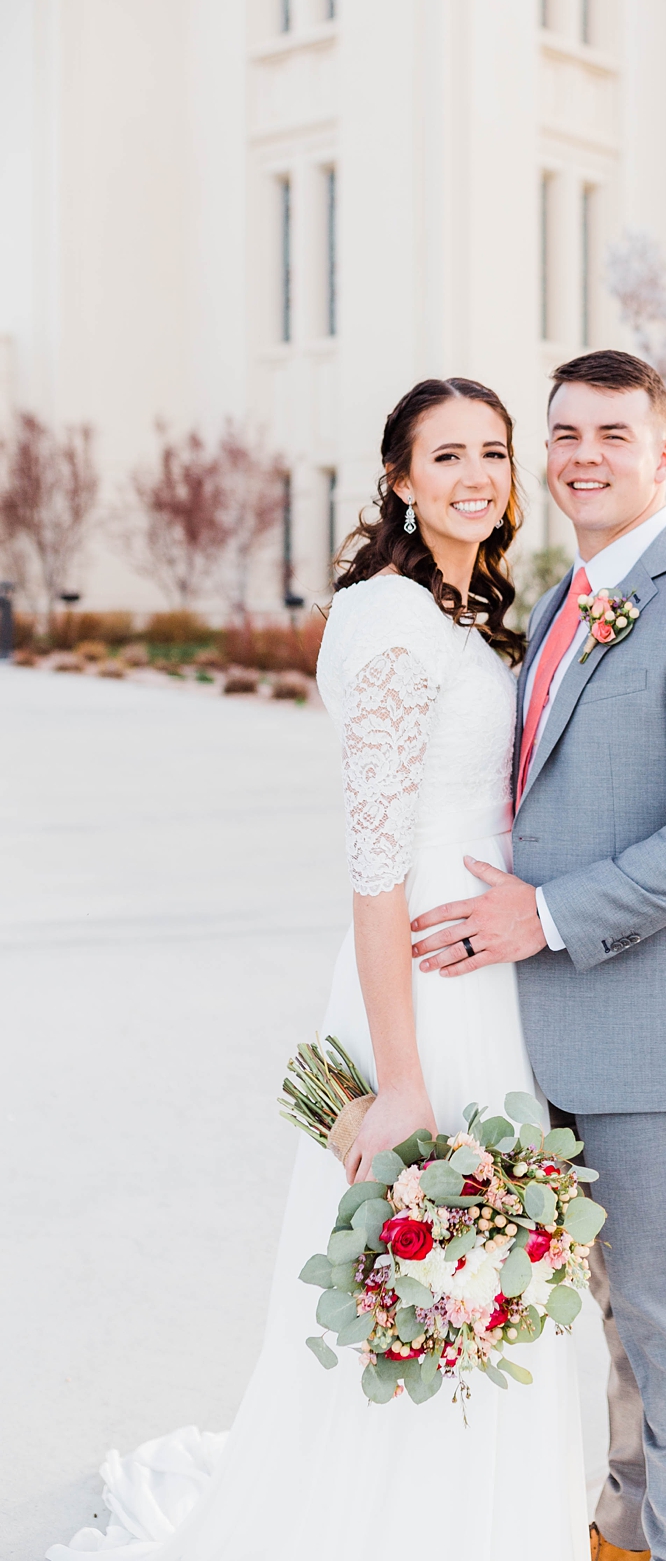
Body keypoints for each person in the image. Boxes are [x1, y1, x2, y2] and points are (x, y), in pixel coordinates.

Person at [49, 378, 588, 1561]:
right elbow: (373, 866)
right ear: (396, 478)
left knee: (490, 1275)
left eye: (494, 453)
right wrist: (399, 1081)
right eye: (448, 455)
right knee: (434, 1265)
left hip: (490, 980)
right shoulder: (390, 618)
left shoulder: (459, 612)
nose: (478, 476)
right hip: (427, 997)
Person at [411, 351, 666, 1561]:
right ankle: (623, 1533)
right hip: (552, 1025)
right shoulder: (566, 601)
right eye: (564, 432)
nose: (584, 455)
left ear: (663, 455)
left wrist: (550, 913)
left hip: (655, 1026)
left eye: (613, 435)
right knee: (615, 1319)